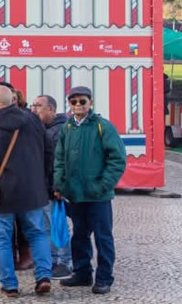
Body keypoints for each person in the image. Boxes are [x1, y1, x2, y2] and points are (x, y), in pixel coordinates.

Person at [0, 85, 53, 297]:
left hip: (2, 193)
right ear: (13, 101)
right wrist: (43, 180)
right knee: (37, 234)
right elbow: (48, 151)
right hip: (33, 190)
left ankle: (10, 285)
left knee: (2, 239)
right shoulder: (33, 120)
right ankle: (43, 277)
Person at [54, 86, 127, 295]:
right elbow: (59, 159)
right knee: (79, 236)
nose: (78, 105)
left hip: (98, 196)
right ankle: (82, 273)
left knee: (103, 238)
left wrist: (103, 185)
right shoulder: (67, 128)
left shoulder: (103, 126)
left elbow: (118, 159)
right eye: (74, 101)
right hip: (75, 194)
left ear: (90, 102)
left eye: (82, 101)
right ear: (69, 103)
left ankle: (104, 278)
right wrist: (59, 185)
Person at [31, 94, 72, 279]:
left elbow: (58, 163)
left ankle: (65, 262)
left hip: (53, 188)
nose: (34, 109)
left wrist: (57, 187)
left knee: (58, 225)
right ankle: (53, 260)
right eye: (33, 105)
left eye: (38, 106)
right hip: (43, 188)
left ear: (51, 109)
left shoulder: (60, 130)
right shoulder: (42, 129)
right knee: (46, 227)